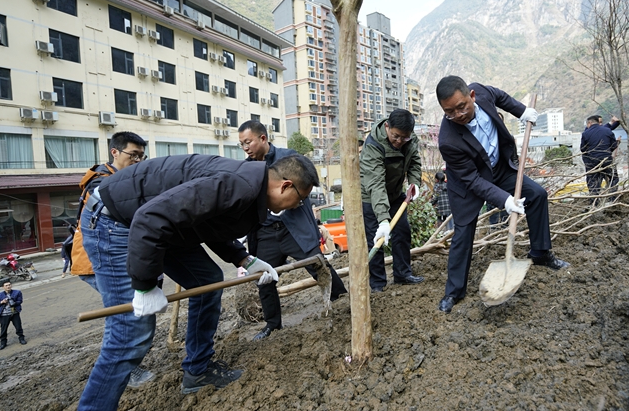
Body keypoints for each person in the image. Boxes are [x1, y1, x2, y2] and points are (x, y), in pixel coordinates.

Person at [78, 153, 316, 409]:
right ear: (285, 186)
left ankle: (198, 370)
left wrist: (244, 259)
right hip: (117, 220)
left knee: (206, 281)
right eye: (300, 200)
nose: (297, 206)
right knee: (129, 333)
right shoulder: (238, 185)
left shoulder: (248, 186)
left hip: (158, 224)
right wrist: (145, 285)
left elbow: (207, 221)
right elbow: (150, 219)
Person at [435, 76, 569, 313]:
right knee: (464, 231)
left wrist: (522, 111)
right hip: (469, 184)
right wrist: (505, 200)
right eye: (450, 112)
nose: (458, 115)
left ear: (472, 97)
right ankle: (454, 291)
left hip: (498, 169)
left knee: (537, 194)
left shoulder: (483, 92)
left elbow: (502, 97)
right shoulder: (448, 140)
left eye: (461, 107)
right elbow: (472, 180)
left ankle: (540, 253)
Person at [239, 120, 347, 341]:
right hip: (266, 232)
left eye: (248, 142)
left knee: (318, 264)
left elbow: (306, 187)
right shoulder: (247, 168)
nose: (245, 148)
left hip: (293, 228)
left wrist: (314, 225)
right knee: (265, 278)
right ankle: (273, 324)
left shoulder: (289, 158)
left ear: (263, 138)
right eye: (241, 144)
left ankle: (342, 300)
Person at [71, 131, 148, 290]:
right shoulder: (100, 182)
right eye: (133, 155)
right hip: (97, 256)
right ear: (115, 152)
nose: (138, 160)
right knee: (127, 308)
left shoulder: (125, 176)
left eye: (141, 156)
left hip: (113, 253)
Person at [360, 108, 424, 293]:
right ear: (387, 126)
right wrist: (383, 220)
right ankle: (378, 284)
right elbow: (376, 183)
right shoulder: (373, 145)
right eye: (396, 136)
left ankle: (403, 273)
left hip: (395, 194)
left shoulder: (409, 140)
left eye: (404, 138)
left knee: (402, 231)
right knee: (377, 239)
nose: (399, 141)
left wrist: (414, 183)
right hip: (371, 196)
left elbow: (414, 163)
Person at [581, 115, 619, 202]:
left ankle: (594, 202)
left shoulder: (586, 133)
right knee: (613, 178)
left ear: (589, 123)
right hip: (607, 159)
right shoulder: (607, 130)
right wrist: (606, 152)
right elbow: (614, 145)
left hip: (592, 162)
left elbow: (583, 149)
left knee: (593, 181)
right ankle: (612, 199)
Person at [0, 281, 26, 350]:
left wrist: (14, 303)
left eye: (9, 285)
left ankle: (21, 338)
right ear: (3, 287)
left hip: (14, 313)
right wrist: (1, 302)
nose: (8, 286)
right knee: (3, 329)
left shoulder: (17, 292)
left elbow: (20, 301)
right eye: (6, 285)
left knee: (18, 327)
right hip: (4, 315)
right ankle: (3, 342)